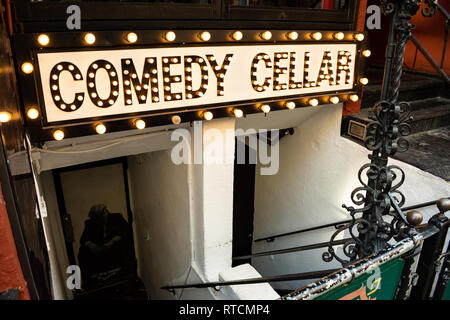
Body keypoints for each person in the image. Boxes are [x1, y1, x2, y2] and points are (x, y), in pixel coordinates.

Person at [78, 204, 133, 289]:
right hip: (99, 248)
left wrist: (111, 242)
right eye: (95, 218)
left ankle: (126, 274)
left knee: (123, 245)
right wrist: (90, 244)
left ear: (105, 212)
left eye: (99, 216)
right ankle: (88, 282)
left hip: (113, 245)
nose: (97, 220)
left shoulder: (117, 217)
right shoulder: (89, 223)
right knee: (82, 252)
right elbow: (83, 239)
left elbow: (125, 231)